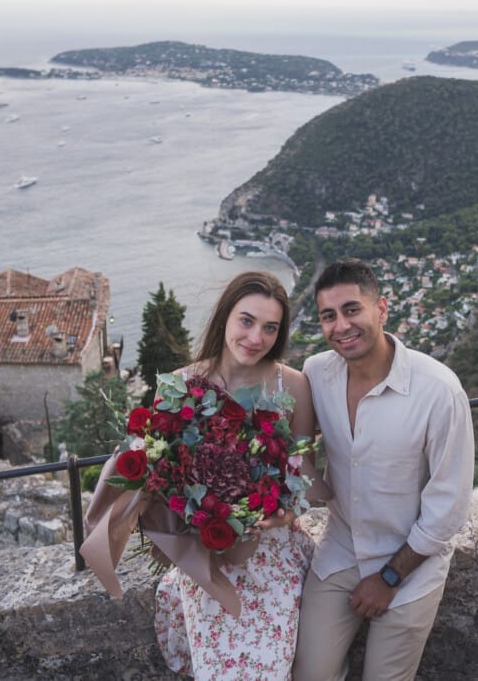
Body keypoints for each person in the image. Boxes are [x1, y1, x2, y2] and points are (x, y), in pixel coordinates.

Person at [293, 258, 474, 681]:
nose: (341, 326)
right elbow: (271, 408)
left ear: (382, 309)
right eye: (328, 316)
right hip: (341, 549)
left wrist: (389, 577)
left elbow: (448, 508)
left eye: (352, 310)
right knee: (308, 675)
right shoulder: (316, 374)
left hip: (410, 563)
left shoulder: (438, 391)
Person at [152, 270, 322, 680]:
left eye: (270, 328)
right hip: (205, 554)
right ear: (225, 316)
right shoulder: (177, 386)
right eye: (246, 321)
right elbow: (162, 481)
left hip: (274, 550)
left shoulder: (294, 385)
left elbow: (307, 479)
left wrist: (282, 514)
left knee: (268, 665)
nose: (255, 338)